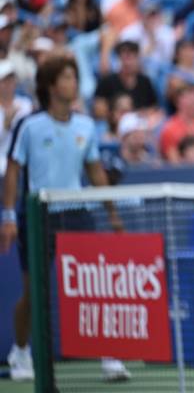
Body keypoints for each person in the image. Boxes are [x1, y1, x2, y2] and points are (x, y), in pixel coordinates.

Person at [0, 54, 131, 382]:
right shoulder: (29, 126)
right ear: (50, 86)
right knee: (34, 292)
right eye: (68, 78)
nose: (74, 84)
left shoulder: (86, 126)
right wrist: (9, 216)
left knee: (95, 286)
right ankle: (20, 351)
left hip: (77, 213)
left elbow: (95, 172)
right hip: (38, 213)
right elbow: (13, 170)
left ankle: (109, 354)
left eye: (75, 77)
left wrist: (113, 214)